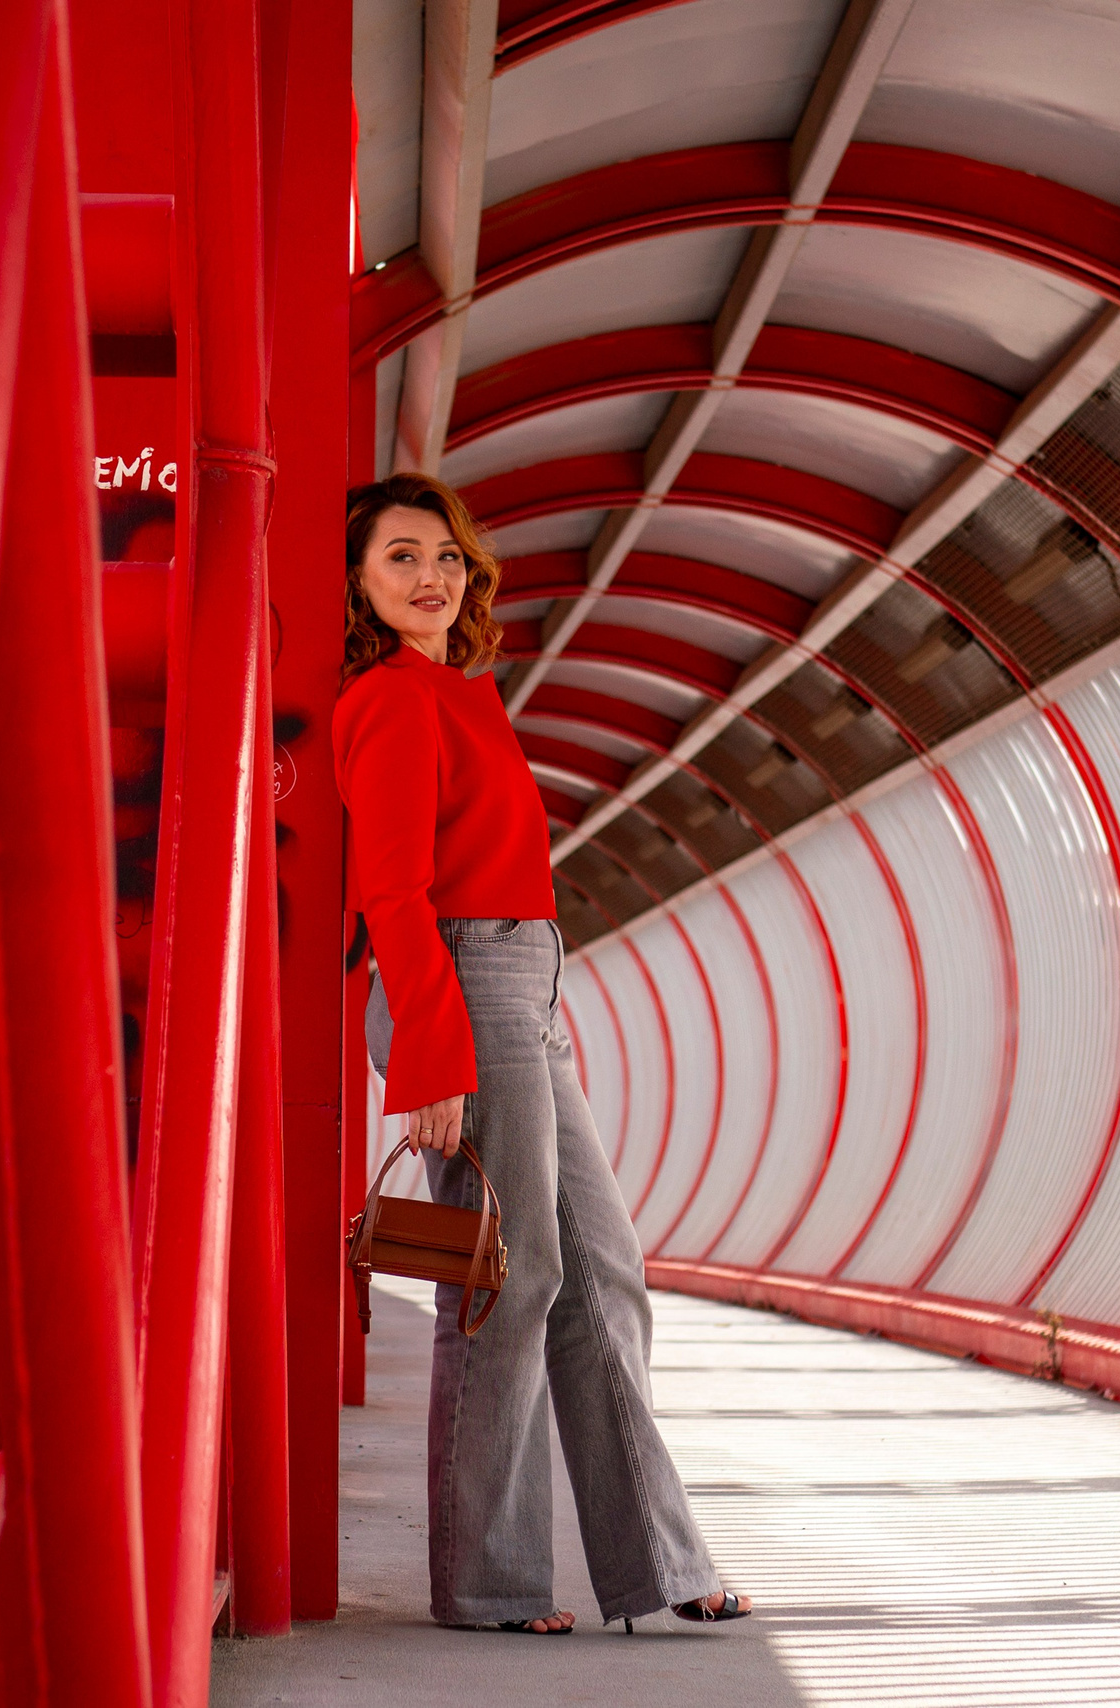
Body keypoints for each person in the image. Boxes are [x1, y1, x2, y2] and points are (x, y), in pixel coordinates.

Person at [332, 472, 753, 1637]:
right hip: (460, 984)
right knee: (506, 1282)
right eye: (401, 558)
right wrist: (428, 1053)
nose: (431, 577)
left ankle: (655, 1564)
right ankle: (491, 1580)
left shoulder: (462, 694)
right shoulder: (391, 701)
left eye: (446, 557)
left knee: (598, 1270)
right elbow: (393, 890)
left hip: (525, 981)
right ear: (361, 587)